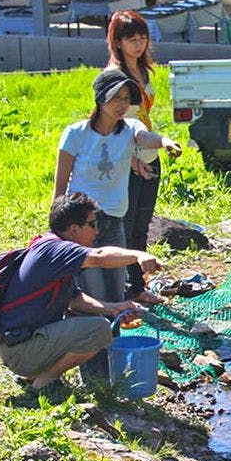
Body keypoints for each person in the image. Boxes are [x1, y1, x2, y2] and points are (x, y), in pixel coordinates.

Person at [54, 69, 180, 380]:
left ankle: (113, 371)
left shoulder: (130, 129)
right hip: (80, 224)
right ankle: (93, 374)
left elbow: (144, 137)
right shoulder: (76, 133)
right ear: (100, 99)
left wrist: (165, 141)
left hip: (113, 221)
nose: (122, 104)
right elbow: (60, 185)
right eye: (116, 98)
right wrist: (57, 226)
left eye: (127, 99)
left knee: (116, 299)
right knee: (89, 296)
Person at [0, 192, 158, 390]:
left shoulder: (52, 248)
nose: (97, 231)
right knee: (99, 330)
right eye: (92, 224)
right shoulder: (58, 249)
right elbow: (98, 256)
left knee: (93, 322)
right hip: (20, 350)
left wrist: (113, 309)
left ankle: (36, 375)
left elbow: (75, 299)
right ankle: (42, 382)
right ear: (73, 229)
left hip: (18, 344)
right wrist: (137, 255)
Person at [105, 11, 167, 304]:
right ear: (117, 42)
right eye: (132, 39)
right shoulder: (114, 76)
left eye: (142, 38)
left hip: (150, 152)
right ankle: (129, 288)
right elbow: (111, 125)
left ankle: (138, 285)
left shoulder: (144, 70)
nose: (139, 44)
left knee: (142, 222)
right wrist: (131, 160)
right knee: (126, 225)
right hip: (128, 159)